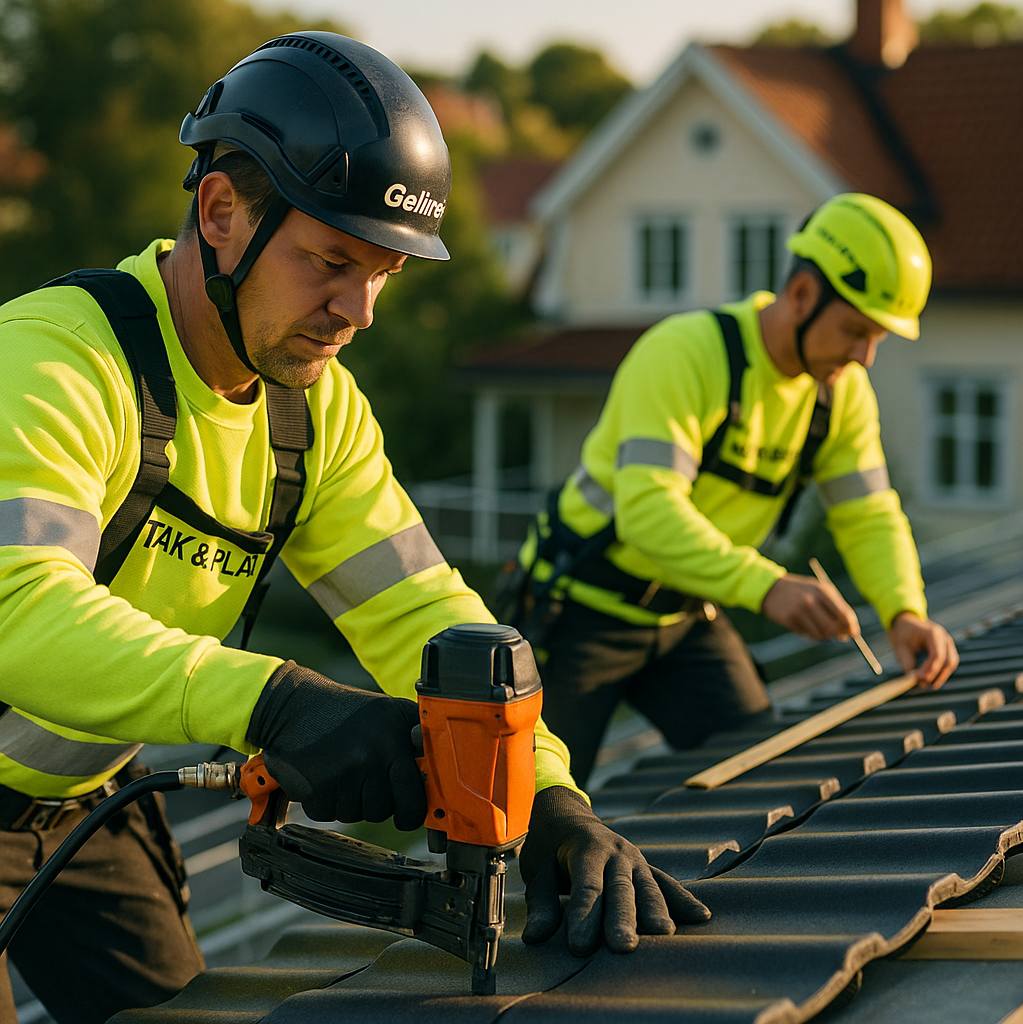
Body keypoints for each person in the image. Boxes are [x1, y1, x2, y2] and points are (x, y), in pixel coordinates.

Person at [0, 32, 709, 1024]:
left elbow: (425, 614)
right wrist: (279, 703)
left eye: (384, 274)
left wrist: (546, 796)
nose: (359, 312)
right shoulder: (56, 363)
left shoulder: (313, 412)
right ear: (220, 214)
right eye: (331, 261)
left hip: (80, 799)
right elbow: (19, 615)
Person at [510, 192, 960, 786]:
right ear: (801, 294)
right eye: (855, 330)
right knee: (532, 805)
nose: (865, 357)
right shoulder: (684, 354)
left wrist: (905, 611)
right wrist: (767, 587)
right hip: (579, 613)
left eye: (877, 338)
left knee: (756, 774)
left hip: (685, 614)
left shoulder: (840, 393)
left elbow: (869, 514)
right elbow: (649, 513)